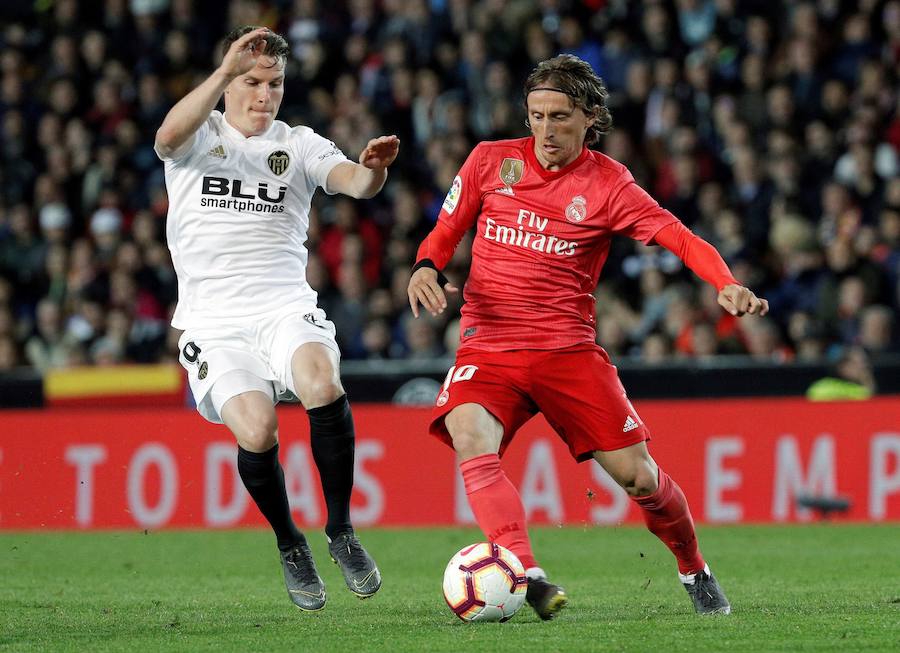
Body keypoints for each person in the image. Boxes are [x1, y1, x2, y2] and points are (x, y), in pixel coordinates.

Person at [407, 54, 768, 620]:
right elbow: (446, 229)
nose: (545, 131)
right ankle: (529, 576)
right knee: (468, 431)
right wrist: (426, 266)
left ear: (589, 117)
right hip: (489, 345)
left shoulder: (608, 184)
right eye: (536, 116)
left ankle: (694, 568)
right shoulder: (489, 161)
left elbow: (679, 236)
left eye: (559, 117)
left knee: (639, 478)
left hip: (567, 351)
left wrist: (725, 282)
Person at [155, 26, 399, 611]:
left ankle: (340, 529)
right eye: (253, 82)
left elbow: (355, 184)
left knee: (321, 382)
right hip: (213, 321)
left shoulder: (300, 143)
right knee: (259, 429)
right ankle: (291, 543)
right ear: (228, 83)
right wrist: (219, 73)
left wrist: (373, 170)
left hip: (283, 305)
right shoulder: (198, 137)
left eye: (275, 84)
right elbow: (164, 137)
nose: (265, 96)